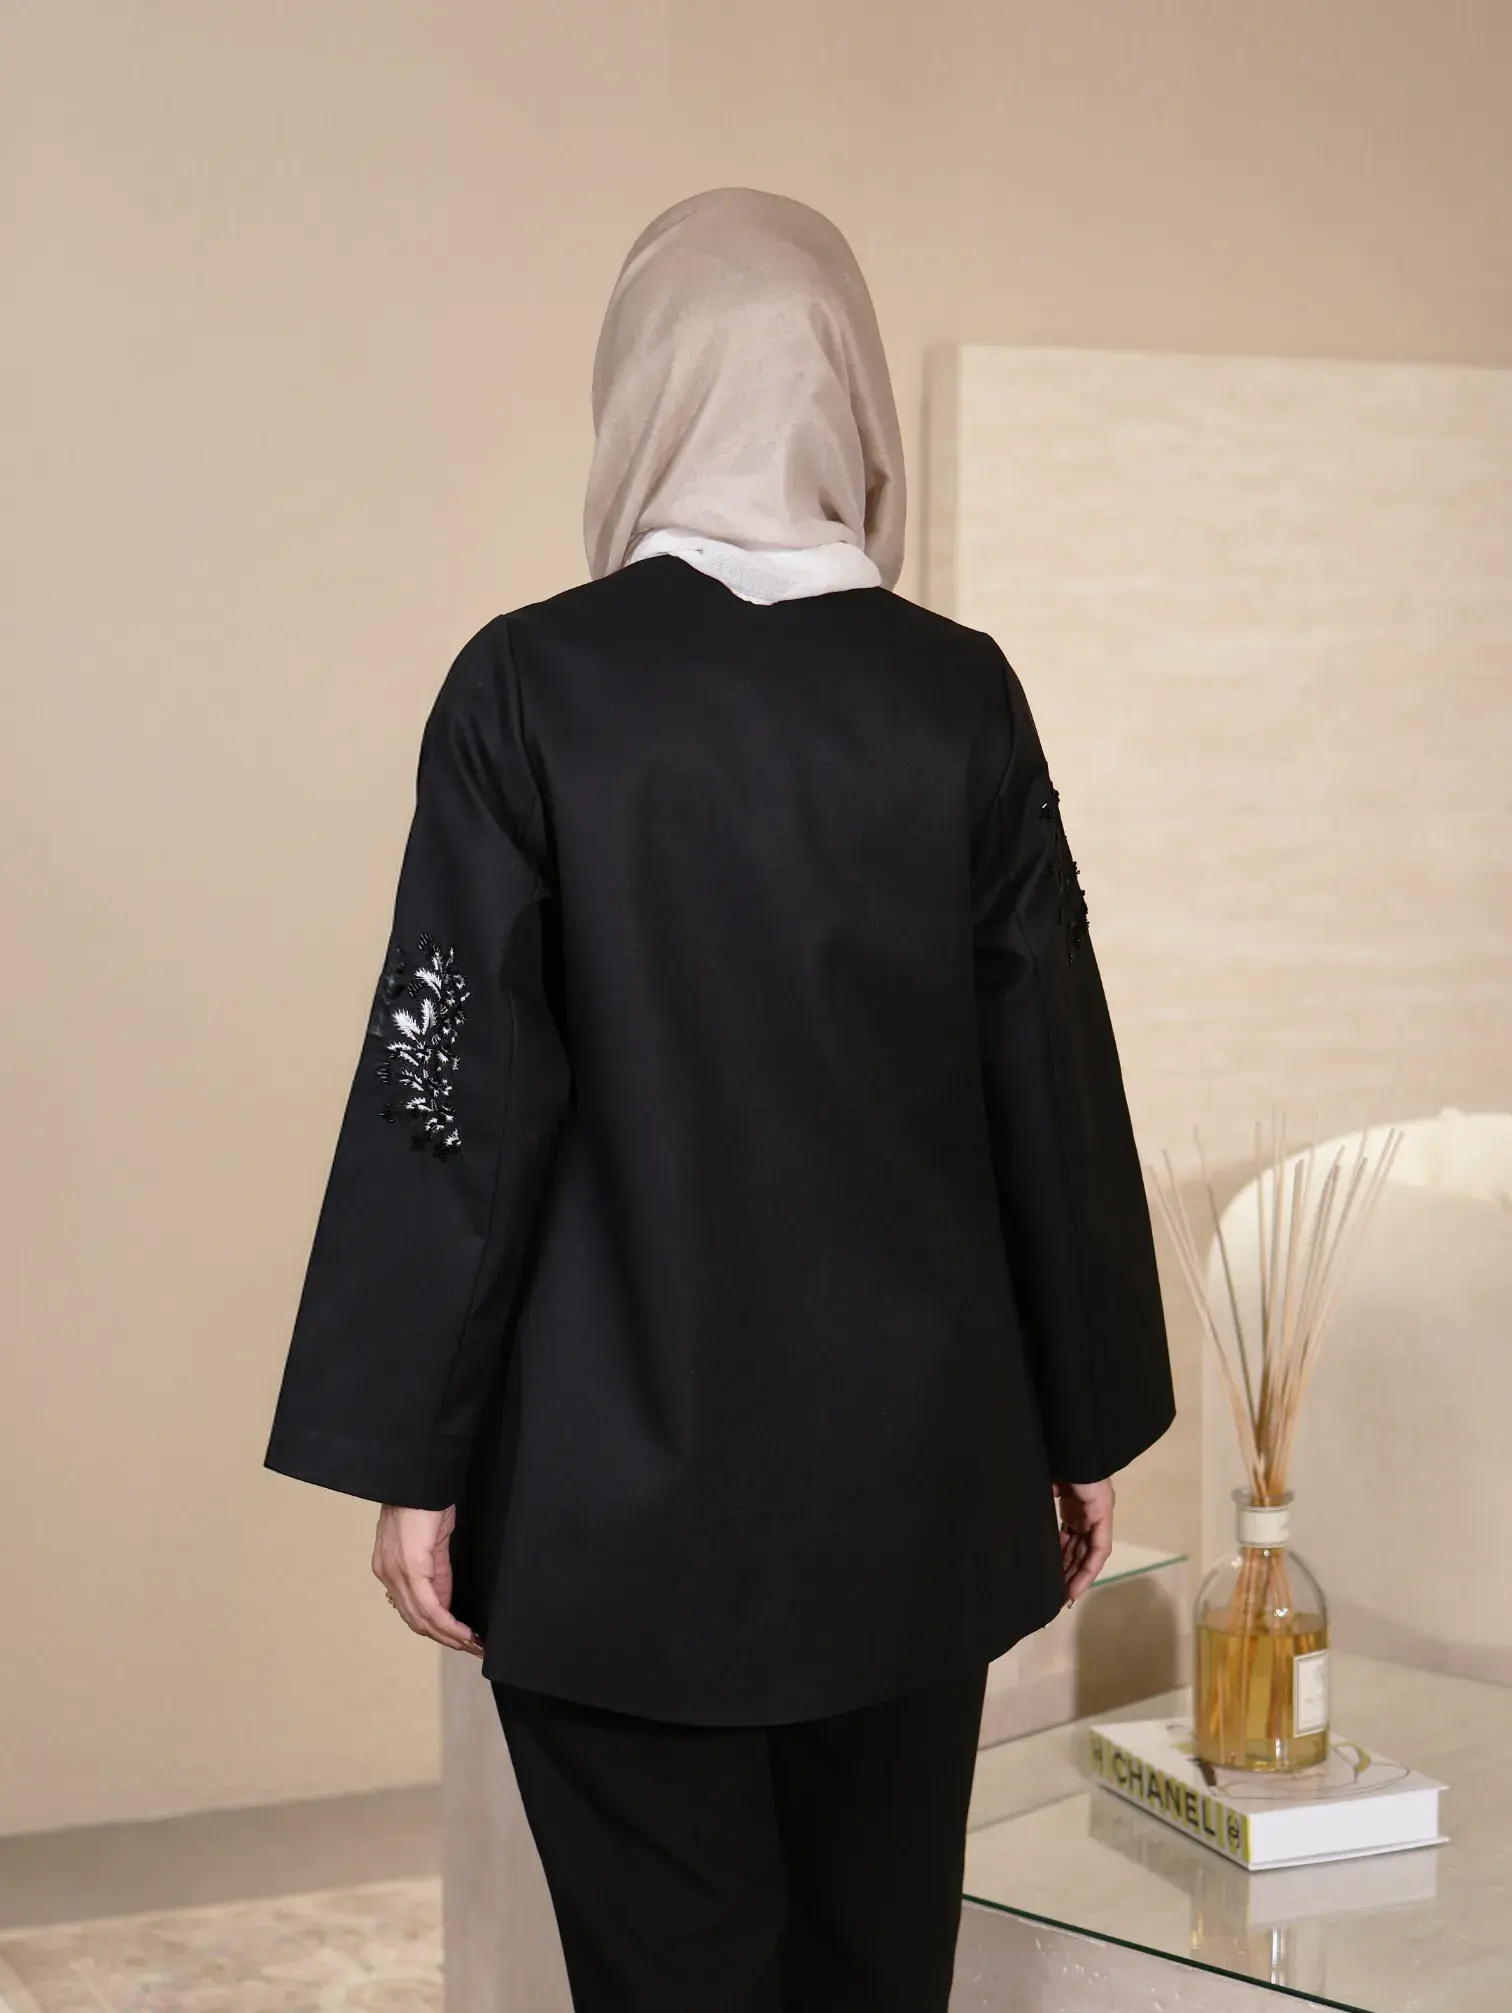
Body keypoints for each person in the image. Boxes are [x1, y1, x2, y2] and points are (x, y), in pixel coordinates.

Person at [263, 185, 1175, 2013]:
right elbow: (1051, 1077)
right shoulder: (959, 700)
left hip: (612, 1522)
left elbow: (453, 1091)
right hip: (917, 1506)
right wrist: (1078, 1423)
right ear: (851, 393)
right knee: (874, 1976)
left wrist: (414, 1459)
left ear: (640, 389)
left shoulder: (530, 690)